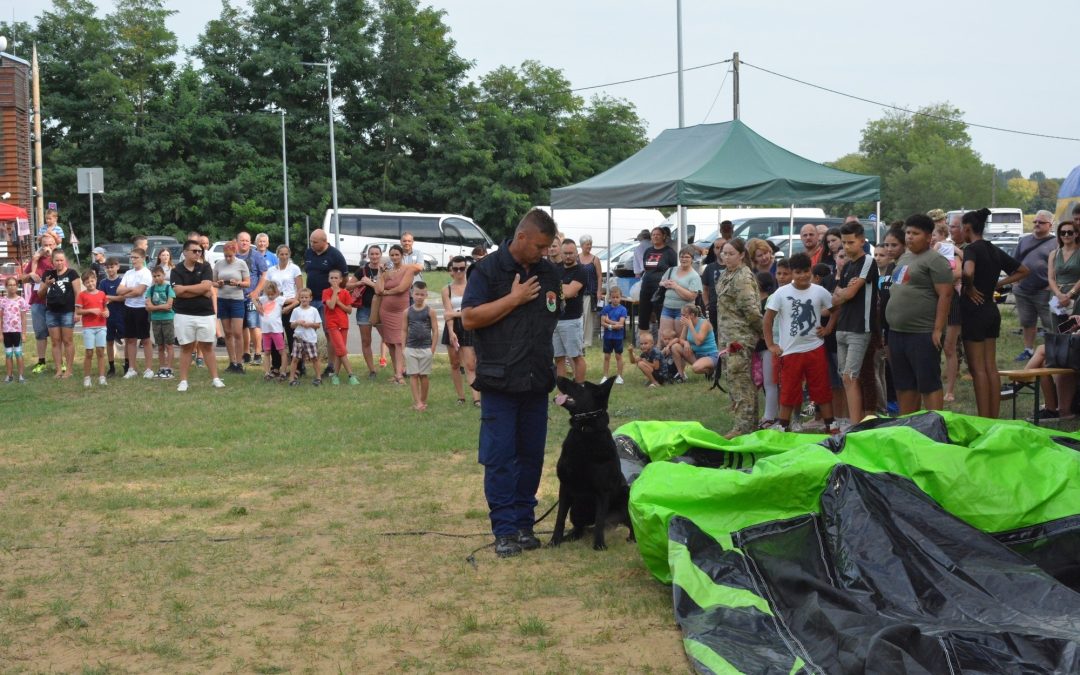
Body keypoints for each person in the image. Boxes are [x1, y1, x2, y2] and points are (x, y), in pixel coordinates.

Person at [460, 208, 561, 559]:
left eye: (548, 248)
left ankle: (524, 524)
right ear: (521, 238)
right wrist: (513, 300)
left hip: (535, 380)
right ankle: (504, 530)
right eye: (539, 246)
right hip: (501, 384)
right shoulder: (487, 270)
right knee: (500, 458)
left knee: (530, 457)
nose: (543, 253)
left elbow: (550, 317)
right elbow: (469, 318)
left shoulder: (548, 272)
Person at [959, 207, 1028, 418]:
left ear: (968, 228)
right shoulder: (993, 249)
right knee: (991, 367)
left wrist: (968, 287)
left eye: (962, 227)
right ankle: (993, 417)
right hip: (991, 310)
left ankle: (983, 419)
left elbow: (968, 271)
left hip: (974, 312)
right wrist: (998, 284)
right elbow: (1024, 270)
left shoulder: (971, 249)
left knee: (977, 368)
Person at [884, 214, 954, 415]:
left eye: (915, 233)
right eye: (907, 233)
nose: (909, 237)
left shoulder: (935, 260)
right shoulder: (904, 257)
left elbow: (945, 295)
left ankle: (935, 423)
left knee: (928, 382)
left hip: (922, 332)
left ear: (928, 236)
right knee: (905, 383)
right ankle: (908, 424)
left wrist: (938, 329)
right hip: (897, 331)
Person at [763, 252, 838, 434]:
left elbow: (835, 309)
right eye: (798, 272)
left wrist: (828, 329)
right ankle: (783, 425)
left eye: (806, 271)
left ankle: (831, 425)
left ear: (811, 271)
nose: (803, 275)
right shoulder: (781, 293)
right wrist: (771, 345)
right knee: (789, 390)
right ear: (792, 273)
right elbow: (767, 319)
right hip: (789, 351)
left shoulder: (819, 291)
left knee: (821, 387)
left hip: (815, 348)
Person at [824, 221, 877, 424]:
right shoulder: (847, 266)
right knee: (845, 377)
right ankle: (852, 420)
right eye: (844, 243)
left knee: (851, 376)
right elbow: (836, 297)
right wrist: (843, 293)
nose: (846, 247)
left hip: (859, 327)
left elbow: (850, 292)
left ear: (862, 241)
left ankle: (856, 423)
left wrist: (844, 293)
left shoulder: (867, 261)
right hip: (843, 326)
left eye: (851, 242)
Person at [714, 238, 764, 438]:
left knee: (741, 382)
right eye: (723, 253)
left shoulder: (742, 277)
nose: (725, 257)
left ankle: (744, 427)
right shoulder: (727, 274)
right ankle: (746, 424)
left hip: (740, 338)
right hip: (727, 336)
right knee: (735, 381)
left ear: (742, 255)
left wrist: (764, 333)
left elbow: (751, 311)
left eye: (730, 254)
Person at [171, 240, 225, 392]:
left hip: (205, 314)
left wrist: (186, 289)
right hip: (183, 314)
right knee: (186, 347)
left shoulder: (205, 266)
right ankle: (183, 381)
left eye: (199, 251)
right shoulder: (176, 270)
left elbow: (207, 287)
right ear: (185, 252)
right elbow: (177, 292)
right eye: (194, 251)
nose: (198, 253)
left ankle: (215, 378)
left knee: (207, 346)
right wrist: (200, 290)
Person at [1011, 210, 1058, 361]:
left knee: (1050, 322)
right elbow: (1015, 262)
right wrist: (1015, 282)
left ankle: (1052, 351)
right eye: (1035, 221)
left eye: (1041, 222)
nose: (1037, 224)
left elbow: (1059, 267)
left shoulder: (1057, 243)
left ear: (1050, 225)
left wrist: (1052, 287)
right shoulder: (1024, 241)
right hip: (1023, 290)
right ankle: (1028, 350)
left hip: (1045, 291)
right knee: (1027, 321)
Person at [304, 229, 349, 375]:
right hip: (310, 300)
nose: (312, 244)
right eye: (311, 241)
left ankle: (331, 365)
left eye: (315, 242)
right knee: (305, 331)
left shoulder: (335, 255)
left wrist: (336, 294)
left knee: (329, 333)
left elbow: (344, 278)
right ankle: (301, 364)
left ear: (324, 241)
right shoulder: (308, 253)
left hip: (327, 301)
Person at [376, 244, 421, 385]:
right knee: (390, 342)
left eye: (397, 255)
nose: (394, 257)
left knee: (399, 342)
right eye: (392, 255)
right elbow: (378, 290)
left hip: (400, 311)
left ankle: (401, 375)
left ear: (402, 256)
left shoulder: (408, 269)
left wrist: (387, 292)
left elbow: (402, 288)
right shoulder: (387, 272)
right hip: (385, 310)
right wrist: (380, 274)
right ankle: (397, 372)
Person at [441, 255, 480, 405]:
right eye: (455, 269)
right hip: (453, 328)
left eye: (462, 269)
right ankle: (461, 397)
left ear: (466, 269)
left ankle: (476, 398)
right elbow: (447, 313)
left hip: (468, 325)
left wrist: (456, 313)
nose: (458, 271)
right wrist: (451, 332)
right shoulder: (446, 290)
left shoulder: (473, 286)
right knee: (455, 364)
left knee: (470, 364)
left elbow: (473, 310)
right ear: (451, 270)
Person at [759, 259, 793, 428]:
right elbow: (767, 323)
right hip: (773, 346)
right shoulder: (773, 297)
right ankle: (769, 416)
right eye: (778, 273)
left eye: (785, 273)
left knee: (789, 383)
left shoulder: (796, 295)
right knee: (771, 382)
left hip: (792, 346)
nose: (781, 277)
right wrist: (770, 343)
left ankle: (790, 418)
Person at [40, 249, 82, 378]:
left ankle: (69, 370)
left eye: (61, 260)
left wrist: (77, 311)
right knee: (55, 342)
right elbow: (40, 295)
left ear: (65, 261)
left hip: (67, 312)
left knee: (68, 341)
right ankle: (58, 370)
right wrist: (46, 285)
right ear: (52, 261)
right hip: (51, 312)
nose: (59, 262)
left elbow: (78, 294)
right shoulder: (48, 274)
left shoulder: (72, 274)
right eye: (56, 260)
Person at [553, 239, 589, 383]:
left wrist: (559, 289)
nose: (568, 256)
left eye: (571, 253)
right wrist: (564, 288)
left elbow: (568, 293)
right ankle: (562, 392)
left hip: (572, 320)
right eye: (565, 253)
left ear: (576, 253)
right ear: (561, 253)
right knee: (558, 358)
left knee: (576, 357)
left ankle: (579, 389)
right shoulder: (556, 269)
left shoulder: (581, 270)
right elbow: (559, 291)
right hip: (555, 319)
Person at [21, 232, 57, 373]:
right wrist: (30, 274)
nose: (47, 248)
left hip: (55, 301)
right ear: (40, 246)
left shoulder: (59, 259)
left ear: (55, 245)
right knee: (40, 332)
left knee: (56, 334)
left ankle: (59, 362)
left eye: (50, 245)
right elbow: (22, 278)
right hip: (37, 301)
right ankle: (41, 362)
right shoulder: (36, 260)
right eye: (45, 245)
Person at [348, 244, 384, 380]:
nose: (374, 256)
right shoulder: (362, 270)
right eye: (372, 254)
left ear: (381, 255)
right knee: (366, 341)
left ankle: (400, 369)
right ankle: (372, 370)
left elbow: (384, 289)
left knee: (389, 339)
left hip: (381, 308)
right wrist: (359, 284)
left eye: (377, 254)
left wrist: (370, 283)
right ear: (368, 255)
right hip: (364, 309)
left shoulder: (385, 269)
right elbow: (347, 286)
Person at [213, 242, 250, 374]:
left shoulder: (241, 264)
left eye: (230, 256)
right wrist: (219, 283)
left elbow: (247, 282)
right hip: (223, 299)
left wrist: (238, 283)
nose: (228, 258)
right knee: (227, 333)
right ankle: (232, 362)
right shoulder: (218, 264)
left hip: (237, 300)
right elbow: (213, 282)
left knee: (237, 332)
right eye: (226, 256)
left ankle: (239, 363)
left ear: (235, 253)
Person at [117, 248, 154, 379]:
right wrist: (131, 289)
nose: (133, 260)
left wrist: (127, 292)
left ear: (143, 258)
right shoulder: (128, 273)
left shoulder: (146, 273)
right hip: (128, 308)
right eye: (131, 257)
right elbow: (119, 291)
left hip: (141, 309)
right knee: (130, 339)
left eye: (136, 257)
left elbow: (140, 291)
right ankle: (132, 368)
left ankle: (149, 368)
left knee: (145, 339)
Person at [403, 280, 438, 411]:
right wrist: (403, 347)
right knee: (413, 375)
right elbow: (403, 330)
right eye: (417, 294)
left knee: (424, 375)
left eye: (422, 294)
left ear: (426, 295)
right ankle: (417, 402)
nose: (419, 297)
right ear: (412, 294)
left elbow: (435, 331)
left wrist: (432, 348)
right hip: (411, 348)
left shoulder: (430, 311)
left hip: (426, 348)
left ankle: (423, 400)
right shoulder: (407, 312)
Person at [236, 231, 268, 366]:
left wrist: (256, 291)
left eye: (247, 241)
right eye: (242, 240)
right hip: (237, 297)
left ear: (251, 242)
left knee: (253, 324)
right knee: (242, 326)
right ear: (237, 241)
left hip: (252, 296)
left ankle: (258, 353)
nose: (244, 243)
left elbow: (264, 274)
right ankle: (246, 353)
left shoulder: (256, 255)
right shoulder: (234, 255)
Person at [637, 227, 678, 335]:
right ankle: (643, 342)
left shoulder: (669, 252)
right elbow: (646, 269)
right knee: (643, 314)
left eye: (658, 234)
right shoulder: (648, 251)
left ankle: (661, 342)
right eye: (653, 234)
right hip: (646, 287)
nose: (655, 236)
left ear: (663, 236)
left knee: (661, 316)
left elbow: (675, 270)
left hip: (661, 289)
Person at [264, 244, 302, 359]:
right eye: (281, 254)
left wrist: (292, 305)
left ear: (289, 255)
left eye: (286, 254)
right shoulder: (271, 270)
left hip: (291, 304)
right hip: (275, 305)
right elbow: (267, 288)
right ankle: (276, 365)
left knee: (292, 335)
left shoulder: (294, 268)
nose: (284, 256)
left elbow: (300, 289)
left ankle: (298, 365)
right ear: (277, 255)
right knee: (276, 335)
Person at [322, 269, 359, 385]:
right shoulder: (326, 292)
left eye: (336, 278)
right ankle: (351, 375)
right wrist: (334, 293)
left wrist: (339, 302)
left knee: (339, 351)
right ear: (328, 279)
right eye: (331, 278)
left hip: (343, 324)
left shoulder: (345, 293)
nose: (333, 280)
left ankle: (335, 376)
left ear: (341, 279)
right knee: (342, 350)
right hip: (332, 324)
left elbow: (349, 310)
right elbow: (331, 306)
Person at [658, 245, 702, 340]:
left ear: (692, 259)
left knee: (680, 339)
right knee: (664, 337)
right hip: (667, 308)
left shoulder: (695, 276)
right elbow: (661, 282)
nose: (683, 259)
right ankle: (663, 355)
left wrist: (676, 287)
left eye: (687, 257)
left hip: (683, 311)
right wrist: (665, 283)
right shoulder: (671, 270)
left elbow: (692, 297)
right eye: (681, 256)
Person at [75, 269, 108, 387]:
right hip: (88, 327)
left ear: (96, 280)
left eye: (92, 281)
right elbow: (78, 311)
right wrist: (90, 310)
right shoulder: (82, 295)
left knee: (100, 352)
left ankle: (102, 377)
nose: (90, 284)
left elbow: (105, 308)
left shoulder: (102, 294)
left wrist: (107, 312)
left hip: (101, 327)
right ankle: (87, 378)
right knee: (89, 352)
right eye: (87, 282)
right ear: (84, 284)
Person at [145, 266, 176, 379]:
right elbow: (148, 307)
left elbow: (169, 306)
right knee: (160, 345)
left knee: (169, 344)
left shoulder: (168, 288)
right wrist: (156, 307)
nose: (157, 278)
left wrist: (154, 307)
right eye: (154, 276)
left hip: (167, 319)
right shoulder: (151, 289)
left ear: (163, 275)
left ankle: (169, 368)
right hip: (156, 320)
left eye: (159, 275)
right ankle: (162, 368)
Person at [288, 288, 323, 386]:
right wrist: (297, 322)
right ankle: (291, 379)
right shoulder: (296, 310)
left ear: (310, 298)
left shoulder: (314, 310)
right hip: (298, 338)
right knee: (295, 358)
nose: (304, 299)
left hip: (310, 338)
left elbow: (318, 325)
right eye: (302, 297)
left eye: (306, 297)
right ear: (299, 298)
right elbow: (291, 325)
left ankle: (318, 378)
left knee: (314, 358)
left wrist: (310, 324)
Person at [675, 304, 719, 377]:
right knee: (675, 347)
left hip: (710, 355)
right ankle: (681, 375)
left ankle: (711, 371)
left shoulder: (704, 323)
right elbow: (681, 339)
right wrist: (686, 343)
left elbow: (698, 342)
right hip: (696, 354)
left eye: (684, 315)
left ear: (692, 315)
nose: (681, 317)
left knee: (696, 368)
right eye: (681, 315)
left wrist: (690, 326)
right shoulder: (687, 324)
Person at [98, 258, 125, 377]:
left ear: (117, 267)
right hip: (108, 316)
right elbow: (101, 299)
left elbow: (123, 298)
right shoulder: (103, 283)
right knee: (109, 341)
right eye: (108, 267)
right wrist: (109, 299)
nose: (110, 269)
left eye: (112, 267)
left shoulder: (122, 281)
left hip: (121, 314)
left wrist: (109, 297)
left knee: (125, 341)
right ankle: (111, 366)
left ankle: (127, 364)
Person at [257, 280, 287, 380]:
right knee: (266, 352)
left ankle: (283, 372)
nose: (270, 296)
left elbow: (295, 301)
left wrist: (287, 308)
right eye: (268, 294)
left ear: (277, 292)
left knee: (281, 351)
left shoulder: (279, 299)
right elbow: (253, 298)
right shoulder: (263, 299)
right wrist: (257, 304)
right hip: (265, 331)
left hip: (277, 330)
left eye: (272, 294)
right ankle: (267, 372)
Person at [1, 277, 29, 382]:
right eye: (10, 285)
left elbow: (24, 318)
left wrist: (24, 333)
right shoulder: (2, 301)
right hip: (6, 332)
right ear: (6, 287)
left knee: (18, 353)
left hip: (17, 331)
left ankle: (21, 376)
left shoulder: (21, 300)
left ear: (17, 286)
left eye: (14, 285)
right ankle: (9, 375)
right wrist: (1, 333)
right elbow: (0, 319)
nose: (12, 287)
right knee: (8, 354)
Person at [578, 234, 604, 347]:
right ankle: (579, 339)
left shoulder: (595, 259)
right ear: (582, 245)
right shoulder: (576, 258)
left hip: (590, 292)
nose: (589, 246)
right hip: (578, 292)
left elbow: (599, 277)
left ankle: (587, 341)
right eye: (587, 244)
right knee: (579, 316)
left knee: (588, 317)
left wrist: (599, 291)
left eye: (590, 244)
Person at [599, 285, 628, 384]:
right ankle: (605, 376)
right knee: (607, 356)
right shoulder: (606, 309)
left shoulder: (623, 309)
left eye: (617, 297)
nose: (615, 299)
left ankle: (619, 376)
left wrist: (609, 321)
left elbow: (621, 324)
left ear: (621, 297)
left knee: (618, 356)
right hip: (607, 337)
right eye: (613, 297)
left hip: (618, 337)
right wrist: (612, 325)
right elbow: (602, 323)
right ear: (610, 298)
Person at [700, 239, 726, 338]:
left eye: (722, 247)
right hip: (713, 307)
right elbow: (705, 288)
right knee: (714, 333)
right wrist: (707, 304)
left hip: (729, 308)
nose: (719, 250)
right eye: (717, 248)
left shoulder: (732, 267)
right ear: (714, 250)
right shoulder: (710, 268)